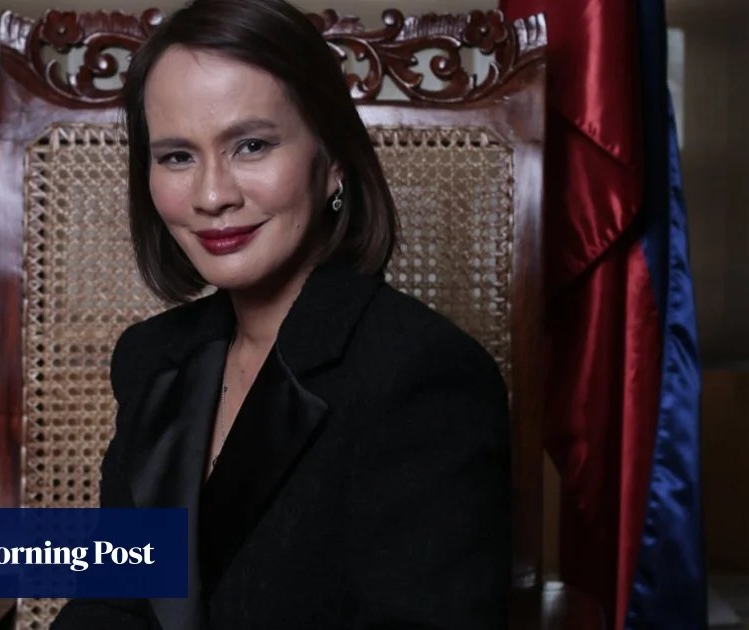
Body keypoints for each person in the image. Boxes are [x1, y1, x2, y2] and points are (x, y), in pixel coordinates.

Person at [51, 0, 511, 627]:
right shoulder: (151, 358)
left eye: (251, 146)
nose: (212, 195)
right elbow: (114, 602)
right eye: (177, 156)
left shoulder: (423, 377)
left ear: (334, 162)